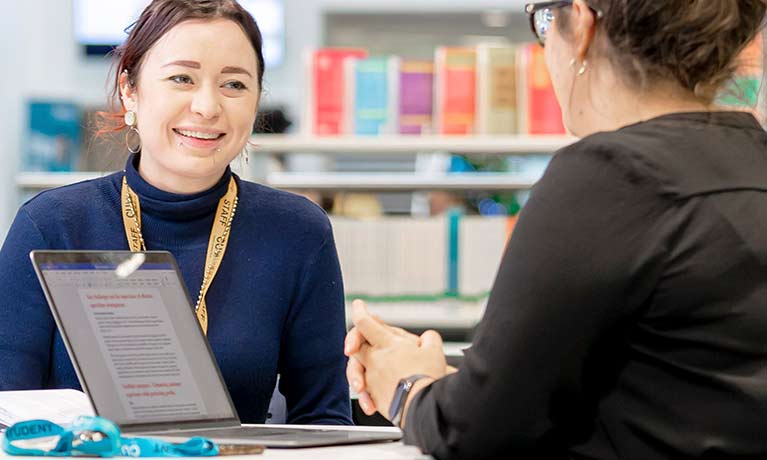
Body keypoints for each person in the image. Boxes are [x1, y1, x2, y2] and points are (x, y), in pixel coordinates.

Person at [346, 0, 767, 458]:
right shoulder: (751, 160)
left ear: (583, 23)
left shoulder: (610, 175)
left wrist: (408, 386)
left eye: (542, 20)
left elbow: (471, 431)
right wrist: (455, 380)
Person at [0, 0, 352, 426]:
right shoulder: (51, 225)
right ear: (131, 90)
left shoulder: (298, 232)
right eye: (182, 78)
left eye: (235, 85)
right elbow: (8, 414)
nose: (207, 106)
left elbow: (325, 420)